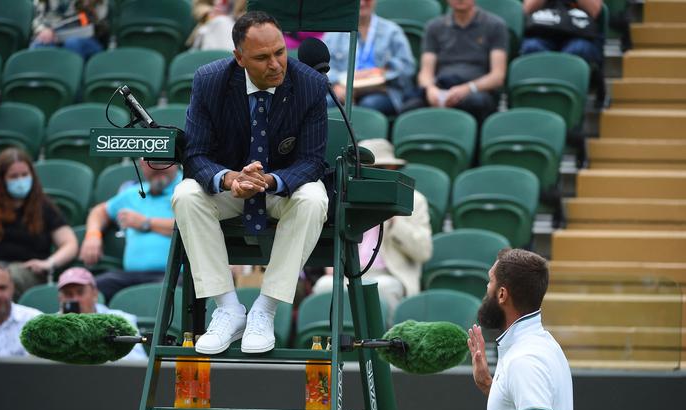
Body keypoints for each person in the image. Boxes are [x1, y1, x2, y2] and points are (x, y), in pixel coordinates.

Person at [173, 11, 329, 355]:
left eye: (280, 52)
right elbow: (195, 155)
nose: (276, 64)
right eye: (262, 57)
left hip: (280, 189)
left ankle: (265, 309)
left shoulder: (311, 84)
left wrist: (270, 180)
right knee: (185, 194)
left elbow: (312, 161)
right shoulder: (209, 80)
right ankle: (228, 309)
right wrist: (230, 179)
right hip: (232, 189)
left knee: (315, 198)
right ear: (239, 58)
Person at [311, 139, 432, 320]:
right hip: (348, 272)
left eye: (382, 169)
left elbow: (423, 252)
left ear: (392, 169)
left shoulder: (414, 200)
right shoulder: (346, 196)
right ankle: (326, 346)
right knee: (323, 286)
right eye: (369, 169)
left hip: (389, 274)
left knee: (383, 287)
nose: (376, 175)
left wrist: (395, 220)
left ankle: (387, 345)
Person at [468, 248, 573, 410]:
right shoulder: (544, 344)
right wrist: (488, 385)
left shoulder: (524, 360)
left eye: (490, 280)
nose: (486, 286)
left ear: (502, 294)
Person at [0, 148, 78, 295]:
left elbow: (70, 243)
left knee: (8, 279)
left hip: (25, 270)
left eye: (25, 175)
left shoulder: (45, 206)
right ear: (1, 180)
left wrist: (48, 263)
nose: (20, 180)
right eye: (14, 176)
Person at [79, 160, 182, 301]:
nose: (158, 168)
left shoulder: (186, 190)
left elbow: (194, 226)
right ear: (142, 165)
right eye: (152, 164)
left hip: (173, 275)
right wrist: (93, 235)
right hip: (131, 275)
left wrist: (146, 223)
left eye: (164, 163)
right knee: (88, 290)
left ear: (176, 162)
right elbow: (99, 211)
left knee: (160, 294)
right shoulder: (134, 193)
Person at [411, 0, 507, 132]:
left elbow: (497, 76)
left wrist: (467, 88)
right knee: (410, 107)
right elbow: (425, 72)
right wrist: (430, 89)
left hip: (477, 89)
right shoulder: (434, 26)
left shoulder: (495, 25)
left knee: (477, 102)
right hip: (441, 87)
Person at [324, 0, 416, 116]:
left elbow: (408, 67)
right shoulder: (334, 34)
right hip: (343, 90)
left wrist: (384, 72)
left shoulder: (392, 31)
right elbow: (323, 68)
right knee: (324, 104)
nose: (362, 3)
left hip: (383, 91)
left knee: (368, 105)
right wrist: (336, 85)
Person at [56, 267, 146, 361]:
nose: (75, 299)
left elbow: (137, 361)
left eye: (80, 292)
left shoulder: (121, 320)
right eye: (68, 294)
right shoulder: (52, 326)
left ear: (95, 294)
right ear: (60, 299)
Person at [520, 0, 603, 67]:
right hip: (543, 32)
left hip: (579, 34)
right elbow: (527, 9)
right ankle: (543, 86)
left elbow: (594, 10)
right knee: (532, 47)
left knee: (578, 49)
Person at [31, 0, 109, 60]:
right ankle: (38, 80)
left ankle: (70, 77)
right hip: (56, 35)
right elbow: (38, 19)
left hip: (89, 38)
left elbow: (101, 25)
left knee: (73, 43)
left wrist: (88, 6)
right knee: (40, 43)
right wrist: (43, 29)